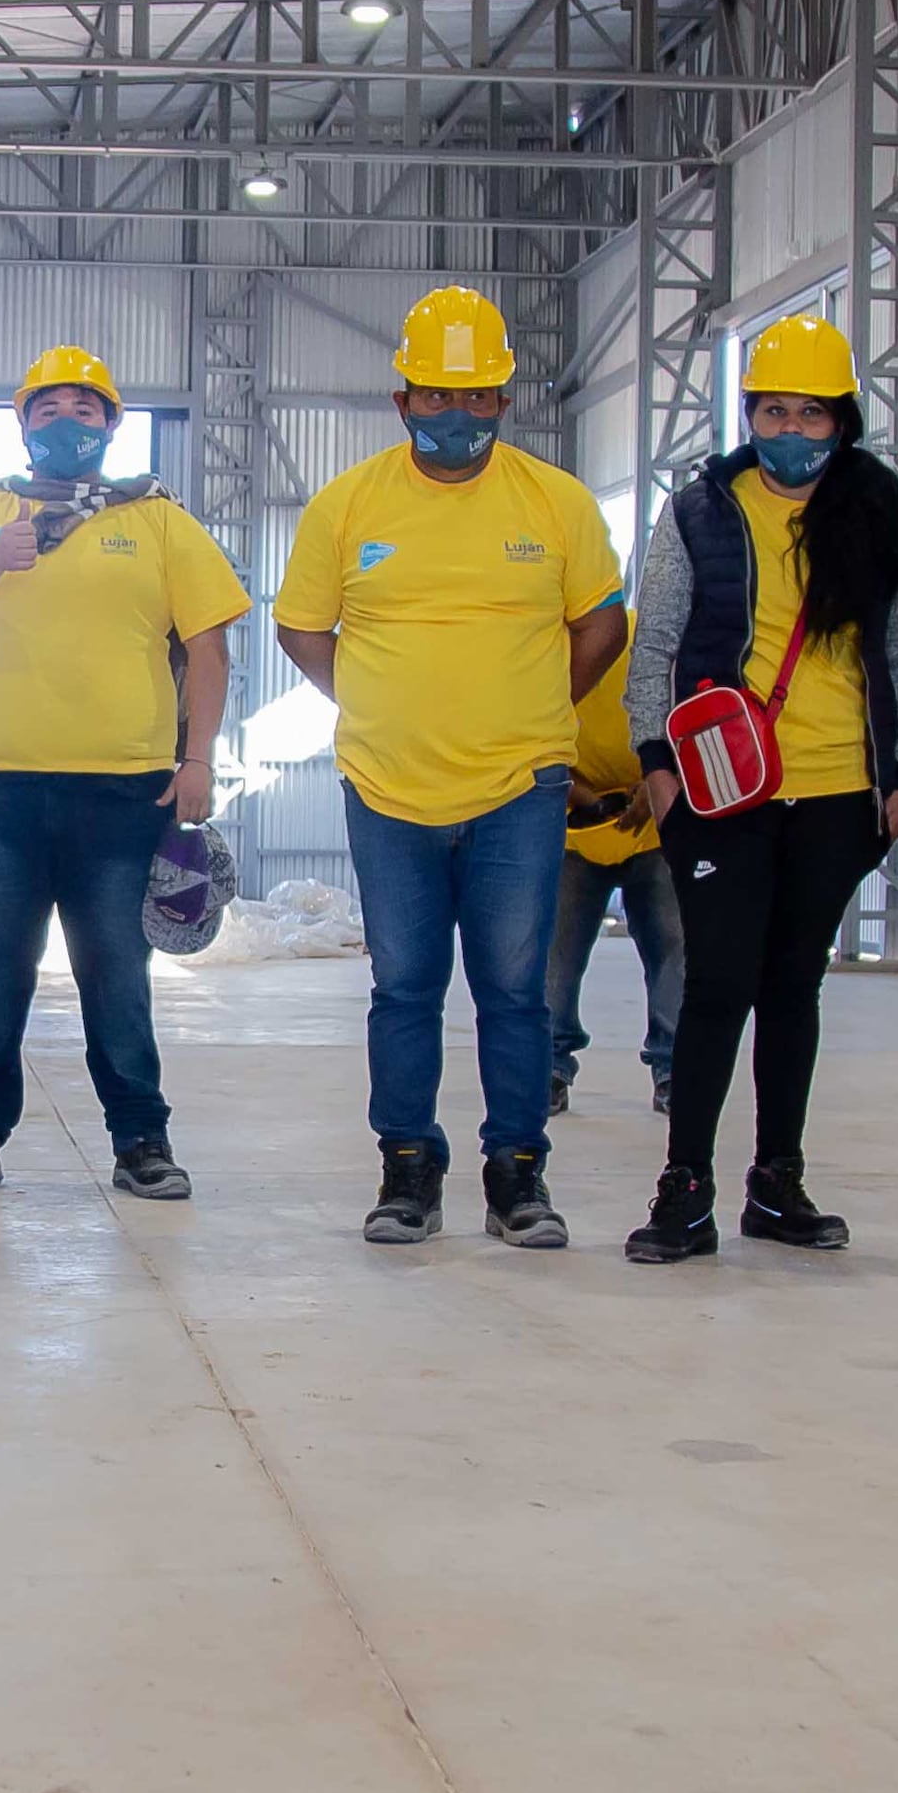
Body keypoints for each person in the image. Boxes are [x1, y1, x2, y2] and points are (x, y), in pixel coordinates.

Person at [274, 285, 627, 1248]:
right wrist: (374, 697)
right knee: (405, 986)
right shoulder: (350, 504)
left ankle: (517, 1173)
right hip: (387, 787)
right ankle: (407, 1169)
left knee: (516, 990)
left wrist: (542, 698)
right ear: (402, 401)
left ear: (505, 401)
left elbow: (603, 620)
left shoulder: (554, 502)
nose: (457, 415)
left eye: (476, 398)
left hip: (522, 785)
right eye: (436, 396)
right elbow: (302, 625)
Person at [618, 314, 898, 1267]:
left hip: (841, 790)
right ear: (749, 413)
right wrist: (658, 769)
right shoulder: (701, 507)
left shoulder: (878, 507)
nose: (792, 427)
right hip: (719, 787)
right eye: (773, 409)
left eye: (812, 412)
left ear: (844, 420)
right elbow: (655, 640)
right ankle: (686, 1187)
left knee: (794, 982)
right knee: (717, 980)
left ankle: (776, 1181)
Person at [0, 344, 248, 1201]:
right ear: (22, 423)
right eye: (49, 409)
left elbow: (210, 648)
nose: (68, 423)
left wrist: (198, 756)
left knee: (116, 971)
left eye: (86, 409)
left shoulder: (159, 521)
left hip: (122, 791)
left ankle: (141, 1136)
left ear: (113, 424)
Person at [546, 633, 682, 1120]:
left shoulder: (646, 639)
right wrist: (583, 795)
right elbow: (521, 737)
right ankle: (549, 1069)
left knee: (674, 947)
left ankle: (674, 1070)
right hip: (575, 826)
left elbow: (690, 710)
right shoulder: (537, 650)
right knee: (555, 953)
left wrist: (658, 778)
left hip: (657, 822)